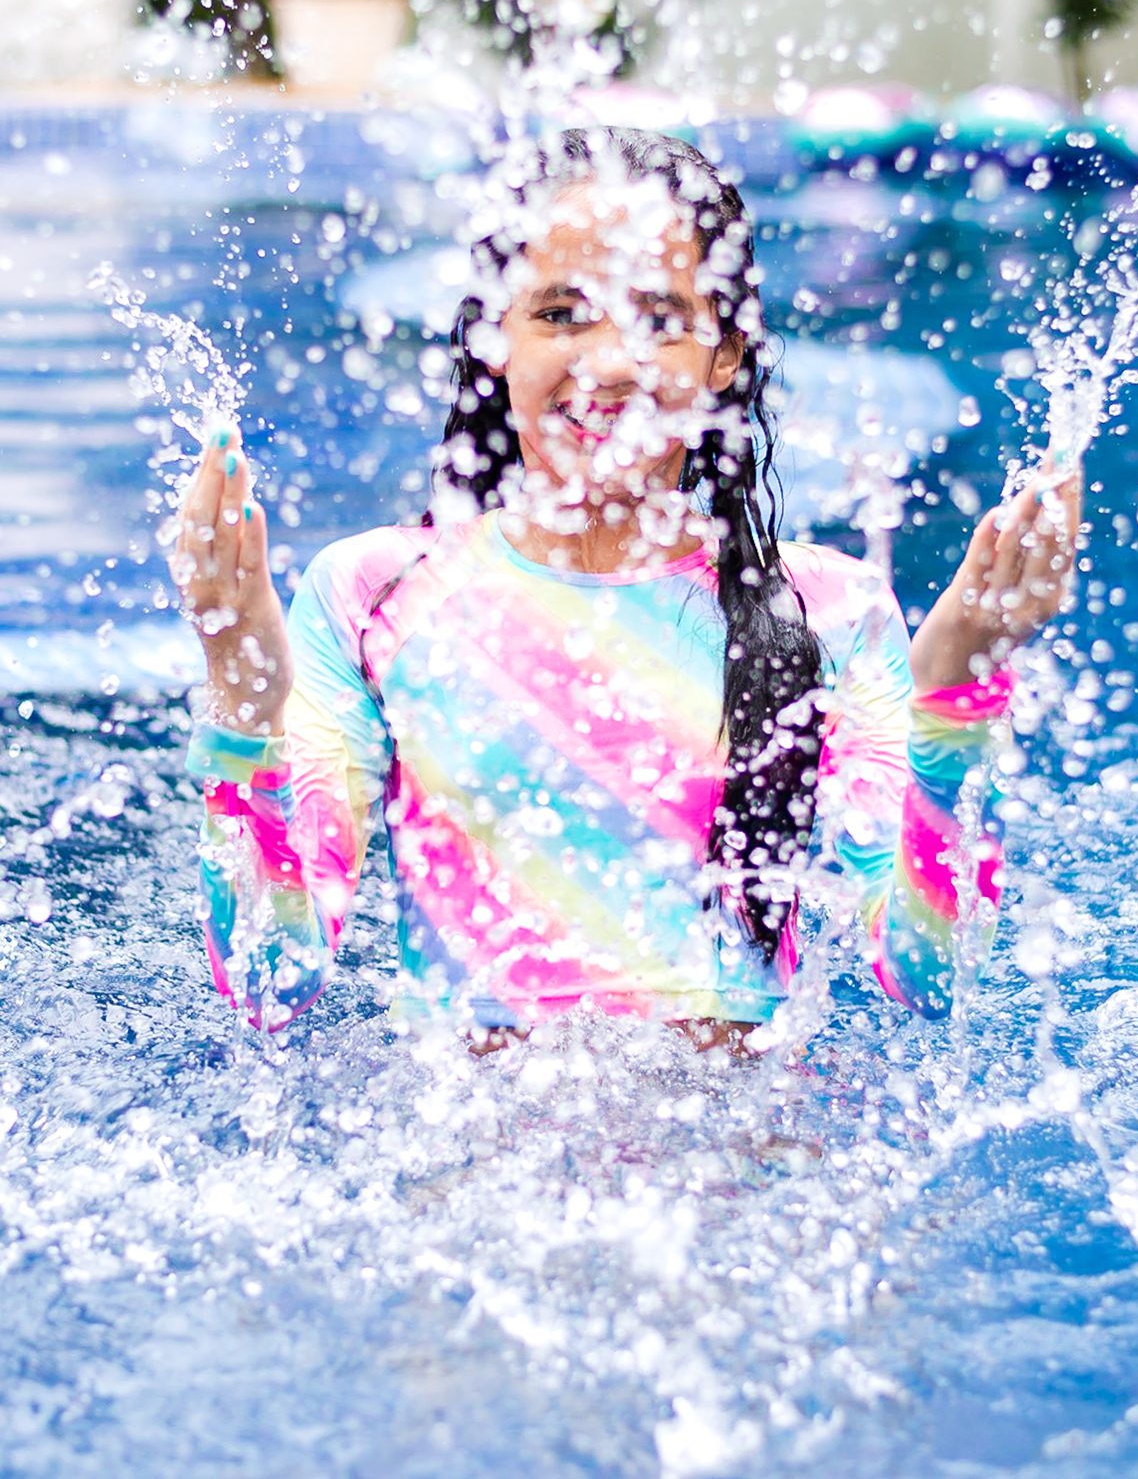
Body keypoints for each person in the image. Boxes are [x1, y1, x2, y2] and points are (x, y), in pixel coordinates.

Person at [173, 129, 1078, 1046]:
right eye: (562, 314)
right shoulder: (377, 594)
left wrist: (958, 690)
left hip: (742, 1133)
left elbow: (929, 975)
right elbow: (268, 980)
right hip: (463, 1134)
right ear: (495, 336)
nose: (608, 364)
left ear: (725, 354)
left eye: (659, 318)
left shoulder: (826, 611)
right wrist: (241, 698)